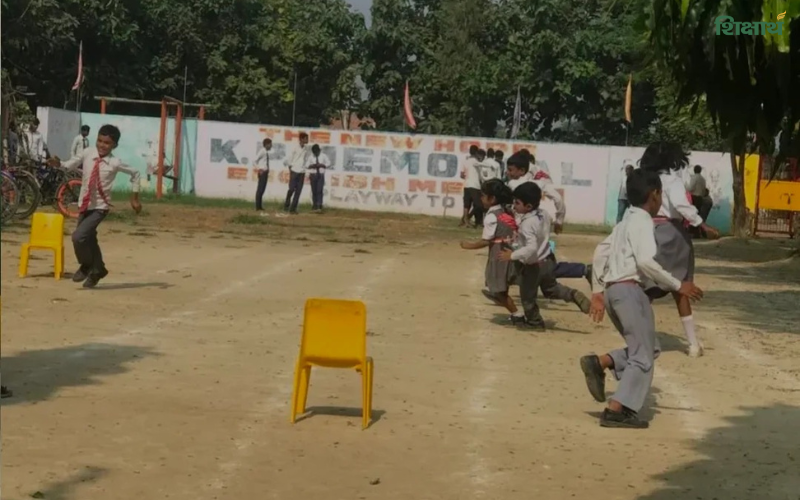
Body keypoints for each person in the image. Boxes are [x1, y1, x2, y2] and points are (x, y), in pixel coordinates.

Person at [580, 169, 704, 429]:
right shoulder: (643, 221)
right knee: (642, 357)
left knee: (651, 348)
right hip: (629, 291)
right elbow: (646, 261)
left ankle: (600, 362)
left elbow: (601, 251)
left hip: (616, 290)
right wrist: (678, 284)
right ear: (655, 194)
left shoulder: (625, 220)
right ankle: (618, 409)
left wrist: (598, 292)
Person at [639, 142, 719, 357]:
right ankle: (692, 344)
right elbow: (681, 206)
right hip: (671, 232)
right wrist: (701, 224)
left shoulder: (644, 181)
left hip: (647, 229)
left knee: (646, 289)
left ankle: (644, 338)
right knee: (681, 288)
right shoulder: (672, 181)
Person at [61, 124, 142, 288]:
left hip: (100, 207)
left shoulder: (114, 162)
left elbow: (136, 173)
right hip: (84, 204)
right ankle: (98, 270)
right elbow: (71, 164)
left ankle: (86, 266)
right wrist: (58, 164)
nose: (102, 145)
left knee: (78, 237)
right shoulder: (87, 153)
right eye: (99, 141)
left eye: (107, 143)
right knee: (89, 239)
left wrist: (134, 198)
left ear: (114, 146)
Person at [501, 182, 592, 321]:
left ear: (529, 206)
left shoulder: (527, 224)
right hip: (548, 260)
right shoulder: (543, 214)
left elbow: (531, 248)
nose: (514, 205)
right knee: (552, 289)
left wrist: (512, 255)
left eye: (517, 203)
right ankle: (571, 294)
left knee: (527, 297)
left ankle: (534, 321)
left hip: (533, 266)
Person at [460, 179, 523, 324]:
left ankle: (517, 314)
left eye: (483, 195)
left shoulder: (491, 217)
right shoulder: (507, 211)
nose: (481, 198)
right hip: (511, 250)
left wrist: (468, 245)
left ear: (492, 198)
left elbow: (486, 240)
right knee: (503, 284)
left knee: (499, 287)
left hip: (499, 253)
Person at [282, 132, 309, 215]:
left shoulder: (306, 149)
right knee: (291, 189)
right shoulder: (295, 147)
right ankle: (287, 203)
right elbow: (290, 157)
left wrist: (305, 168)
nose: (307, 140)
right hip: (294, 170)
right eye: (306, 138)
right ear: (301, 139)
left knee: (298, 191)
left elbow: (306, 159)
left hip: (302, 171)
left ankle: (293, 208)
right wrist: (290, 167)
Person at [306, 144, 331, 212]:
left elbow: (328, 163)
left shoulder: (323, 156)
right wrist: (312, 165)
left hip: (320, 174)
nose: (315, 153)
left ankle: (319, 205)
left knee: (319, 190)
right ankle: (314, 205)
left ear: (319, 150)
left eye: (316, 151)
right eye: (314, 152)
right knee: (314, 190)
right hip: (313, 174)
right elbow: (307, 165)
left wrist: (322, 165)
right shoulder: (311, 157)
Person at [460, 145, 481, 227]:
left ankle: (465, 221)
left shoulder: (465, 161)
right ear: (476, 152)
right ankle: (468, 218)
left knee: (466, 204)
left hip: (467, 184)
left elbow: (461, 175)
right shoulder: (477, 163)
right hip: (475, 185)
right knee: (478, 204)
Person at [253, 138, 272, 213]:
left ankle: (260, 206)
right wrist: (259, 169)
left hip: (265, 172)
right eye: (270, 144)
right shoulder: (262, 151)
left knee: (262, 189)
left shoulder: (265, 152)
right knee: (260, 189)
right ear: (267, 144)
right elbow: (254, 161)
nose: (271, 146)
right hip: (262, 172)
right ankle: (258, 206)